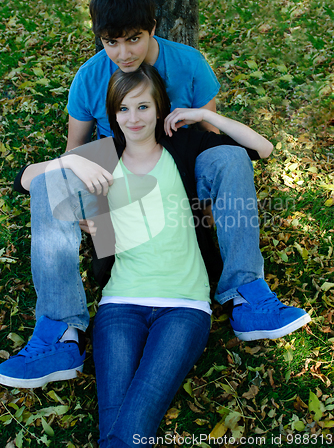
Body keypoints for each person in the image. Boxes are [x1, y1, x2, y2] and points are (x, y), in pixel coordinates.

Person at [0, 0, 310, 390]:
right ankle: (60, 332)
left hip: (180, 168)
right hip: (115, 178)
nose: (123, 53)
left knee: (231, 156)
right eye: (111, 42)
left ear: (153, 29)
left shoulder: (188, 65)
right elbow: (67, 159)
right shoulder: (92, 86)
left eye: (134, 39)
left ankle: (246, 293)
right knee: (51, 183)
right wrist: (81, 206)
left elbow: (215, 144)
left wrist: (200, 208)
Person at [5, 64, 279, 445]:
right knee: (118, 428)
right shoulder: (101, 155)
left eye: (143, 107)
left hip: (185, 308)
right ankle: (60, 336)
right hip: (120, 305)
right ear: (113, 114)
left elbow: (261, 149)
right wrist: (68, 160)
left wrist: (204, 116)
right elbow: (25, 179)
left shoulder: (183, 146)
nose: (133, 118)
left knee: (135, 418)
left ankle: (248, 296)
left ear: (160, 109)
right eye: (123, 109)